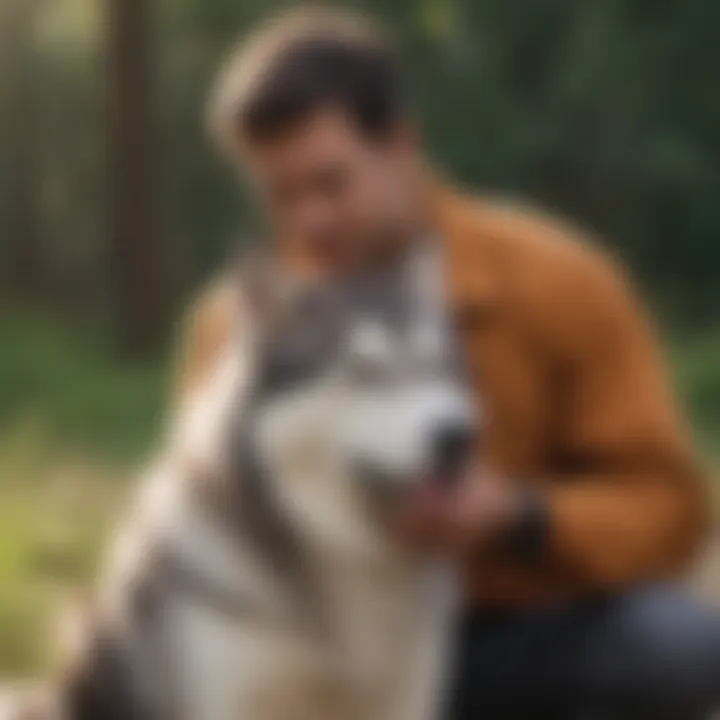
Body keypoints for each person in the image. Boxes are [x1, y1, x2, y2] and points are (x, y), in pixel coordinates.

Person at [180, 8, 720, 719]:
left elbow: (671, 512)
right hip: (323, 663)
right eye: (282, 196)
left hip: (505, 639)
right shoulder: (236, 325)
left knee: (674, 646)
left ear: (402, 146)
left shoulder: (559, 280)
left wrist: (517, 516)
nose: (309, 221)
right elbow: (198, 538)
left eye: (330, 184)